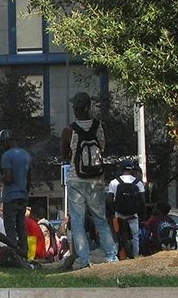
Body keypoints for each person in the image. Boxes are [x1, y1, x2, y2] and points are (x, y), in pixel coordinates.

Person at [60, 92, 119, 269]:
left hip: (76, 179)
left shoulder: (68, 131)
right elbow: (102, 148)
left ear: (80, 108)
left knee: (77, 222)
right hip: (96, 180)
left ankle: (84, 261)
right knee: (100, 219)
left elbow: (64, 155)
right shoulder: (99, 126)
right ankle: (111, 256)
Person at [0, 129, 32, 258]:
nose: (1, 147)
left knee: (10, 227)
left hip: (10, 197)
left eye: (1, 144)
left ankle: (14, 255)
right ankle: (25, 254)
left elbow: (8, 178)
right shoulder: (26, 155)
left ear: (6, 142)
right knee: (21, 226)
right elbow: (29, 179)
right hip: (23, 196)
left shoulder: (7, 156)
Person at [108, 159, 146, 259]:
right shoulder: (138, 183)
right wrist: (142, 216)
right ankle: (135, 257)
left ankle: (118, 257)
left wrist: (112, 214)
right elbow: (143, 202)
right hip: (133, 216)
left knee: (117, 237)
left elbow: (110, 200)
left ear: (120, 169)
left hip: (119, 215)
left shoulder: (114, 182)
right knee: (135, 237)